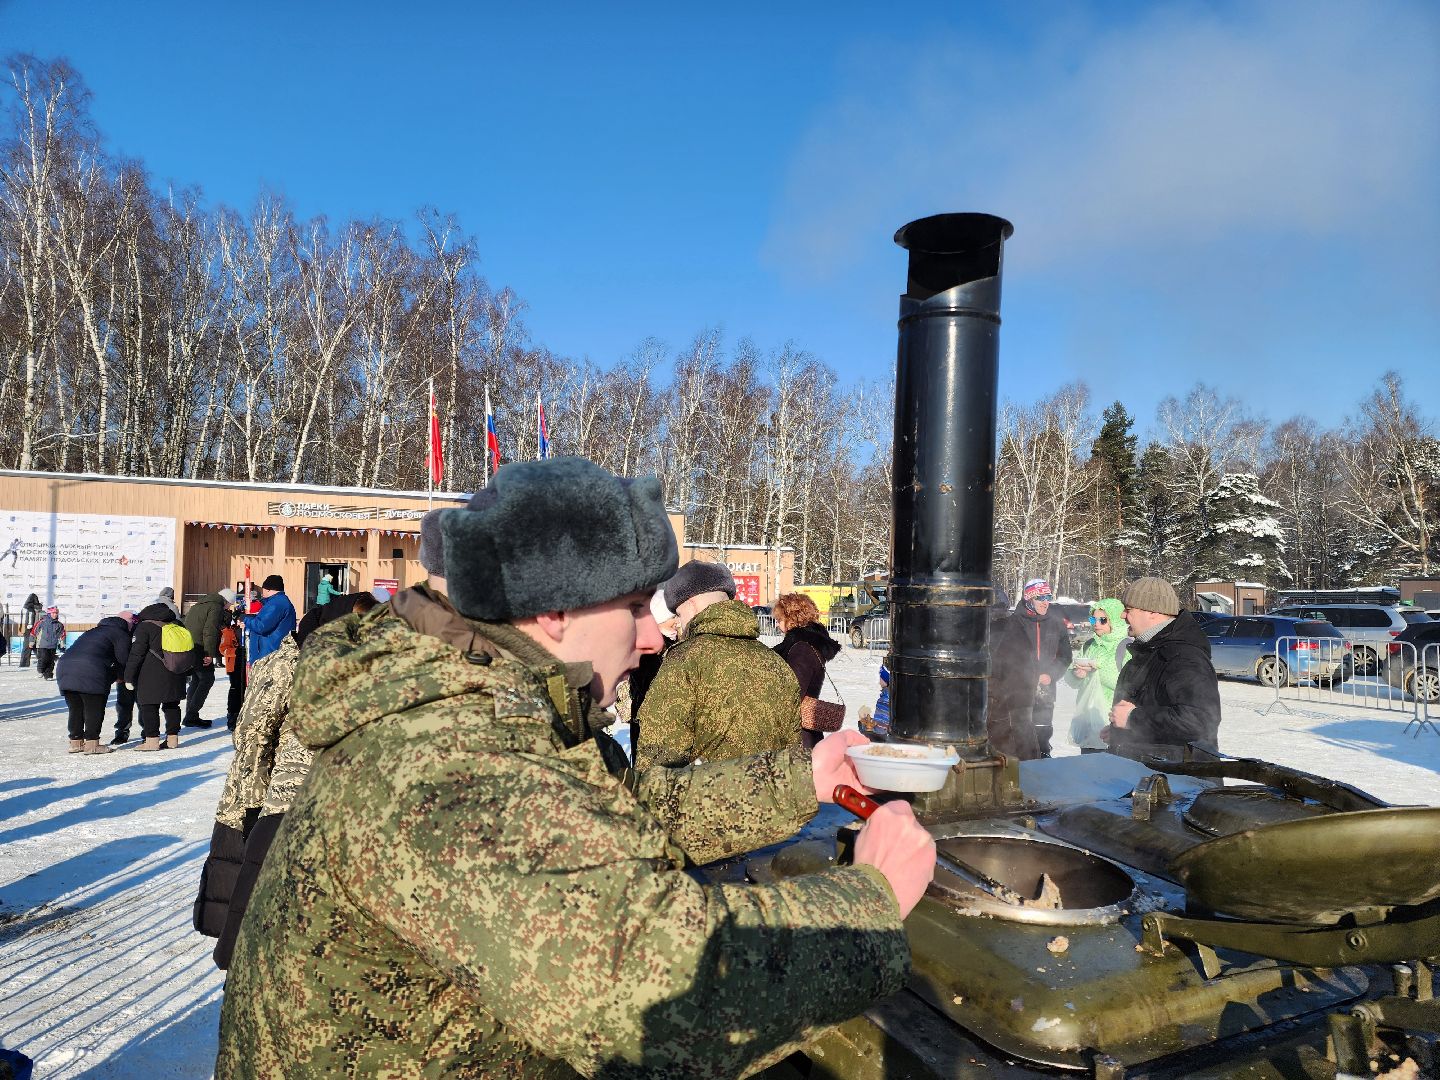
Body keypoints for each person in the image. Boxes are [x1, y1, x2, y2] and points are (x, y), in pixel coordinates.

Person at [216, 456, 934, 1078]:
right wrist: (870, 901)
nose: (654, 638)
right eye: (632, 607)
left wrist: (799, 781)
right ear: (554, 610)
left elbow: (610, 814)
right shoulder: (456, 756)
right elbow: (652, 992)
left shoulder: (478, 693)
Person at [633, 561, 802, 769]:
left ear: (691, 604)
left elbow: (658, 766)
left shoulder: (683, 661)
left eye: (678, 614)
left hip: (702, 800)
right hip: (769, 799)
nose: (678, 623)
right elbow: (792, 761)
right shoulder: (777, 664)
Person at [1104, 576, 1222, 757]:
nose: (1122, 616)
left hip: (1179, 779)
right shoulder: (1149, 650)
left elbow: (1200, 721)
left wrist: (1132, 719)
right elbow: (1148, 705)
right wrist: (1120, 733)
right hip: (1148, 774)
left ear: (1152, 612)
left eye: (1128, 610)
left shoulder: (1184, 656)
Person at [55, 610, 133, 755]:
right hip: (91, 670)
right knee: (94, 708)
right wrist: (122, 677)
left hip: (65, 667)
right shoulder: (120, 634)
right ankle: (92, 744)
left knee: (75, 708)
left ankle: (76, 742)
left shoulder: (93, 631)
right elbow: (124, 659)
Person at [772, 591, 843, 750]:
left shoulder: (802, 648)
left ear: (792, 618)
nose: (777, 624)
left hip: (799, 736)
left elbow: (792, 693)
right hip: (801, 731)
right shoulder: (803, 644)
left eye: (779, 620)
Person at [1013, 578, 1073, 757]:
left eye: (1048, 596)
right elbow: (1006, 656)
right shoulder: (1014, 622)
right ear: (1028, 599)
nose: (1045, 601)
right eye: (1040, 597)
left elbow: (1065, 656)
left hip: (1045, 691)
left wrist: (1051, 674)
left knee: (1042, 737)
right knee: (1019, 737)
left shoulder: (1056, 624)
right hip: (1018, 691)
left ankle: (1043, 758)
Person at [123, 602, 194, 751]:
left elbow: (136, 653)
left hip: (151, 674)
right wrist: (187, 672)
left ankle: (152, 741)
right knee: (172, 705)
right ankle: (172, 739)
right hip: (176, 671)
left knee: (149, 706)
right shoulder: (178, 625)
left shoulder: (145, 626)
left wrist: (128, 677)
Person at [1065, 598, 1130, 754]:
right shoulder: (1089, 644)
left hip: (1112, 726)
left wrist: (1096, 667)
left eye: (1102, 620)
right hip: (1088, 723)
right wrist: (1077, 675)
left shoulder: (1126, 646)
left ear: (1114, 620)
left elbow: (1127, 684)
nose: (1096, 624)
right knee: (1088, 773)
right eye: (1093, 619)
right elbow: (1070, 679)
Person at [182, 587, 237, 729]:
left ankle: (190, 714)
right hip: (200, 647)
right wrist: (209, 653)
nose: (229, 607)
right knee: (207, 679)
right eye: (229, 604)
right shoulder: (215, 607)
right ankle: (191, 715)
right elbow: (210, 631)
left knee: (196, 679)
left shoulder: (202, 603)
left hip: (189, 645)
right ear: (226, 601)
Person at [244, 574, 296, 666]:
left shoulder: (276, 603)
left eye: (263, 589)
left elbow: (261, 626)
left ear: (268, 589)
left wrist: (245, 619)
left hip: (269, 656)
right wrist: (251, 617)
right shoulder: (276, 602)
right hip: (269, 653)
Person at [33, 606, 65, 680]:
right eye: (53, 613)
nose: (55, 615)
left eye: (56, 613)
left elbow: (62, 634)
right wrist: (32, 641)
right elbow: (34, 632)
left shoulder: (59, 624)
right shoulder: (42, 622)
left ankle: (48, 675)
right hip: (42, 644)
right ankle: (41, 670)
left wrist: (62, 642)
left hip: (53, 645)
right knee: (44, 658)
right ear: (49, 613)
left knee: (51, 661)